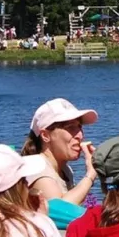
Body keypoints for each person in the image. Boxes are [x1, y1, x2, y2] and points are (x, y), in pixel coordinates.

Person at [21, 98, 99, 229]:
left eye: (79, 127)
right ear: (45, 135)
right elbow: (60, 212)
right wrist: (91, 174)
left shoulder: (64, 169)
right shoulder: (36, 167)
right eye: (70, 128)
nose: (80, 135)